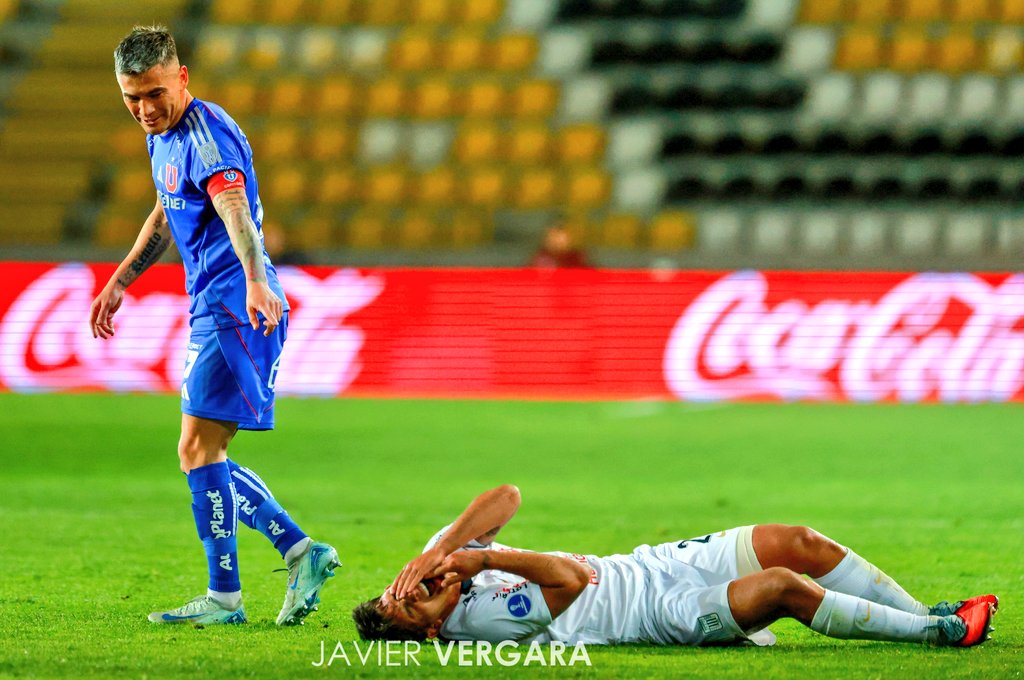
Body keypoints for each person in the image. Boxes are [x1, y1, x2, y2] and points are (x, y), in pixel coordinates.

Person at [89, 26, 339, 626]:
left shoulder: (207, 137)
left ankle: (231, 594)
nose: (145, 109)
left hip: (237, 306)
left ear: (182, 78)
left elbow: (232, 208)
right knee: (204, 452)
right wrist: (122, 278)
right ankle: (301, 553)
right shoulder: (164, 138)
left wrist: (254, 279)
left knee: (197, 449)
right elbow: (166, 210)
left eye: (154, 93)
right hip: (215, 303)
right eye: (132, 98)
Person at [352, 484, 997, 648]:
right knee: (784, 588)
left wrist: (438, 551)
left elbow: (507, 498)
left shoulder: (444, 565)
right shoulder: (483, 621)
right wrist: (480, 555)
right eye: (416, 604)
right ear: (434, 629)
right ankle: (938, 634)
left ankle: (921, 609)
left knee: (799, 540)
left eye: (403, 588)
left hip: (652, 564)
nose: (423, 589)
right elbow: (573, 581)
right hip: (660, 614)